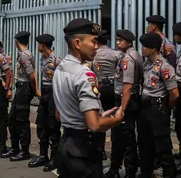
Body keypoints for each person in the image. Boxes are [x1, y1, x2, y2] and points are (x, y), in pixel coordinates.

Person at [53, 18, 124, 178]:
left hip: (66, 146)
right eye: (93, 41)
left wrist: (99, 116)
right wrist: (116, 119)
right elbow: (94, 125)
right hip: (84, 151)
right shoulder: (84, 74)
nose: (97, 47)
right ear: (77, 43)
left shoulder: (60, 68)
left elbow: (59, 115)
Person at [138, 32, 179, 178]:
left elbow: (174, 94)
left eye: (145, 46)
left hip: (158, 106)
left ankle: (169, 172)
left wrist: (166, 109)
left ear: (153, 48)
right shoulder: (146, 63)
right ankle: (145, 172)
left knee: (162, 143)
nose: (142, 49)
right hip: (145, 106)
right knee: (144, 142)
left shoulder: (165, 67)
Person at [105, 29, 143, 178]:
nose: (117, 42)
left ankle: (127, 171)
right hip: (129, 99)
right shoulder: (136, 55)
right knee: (124, 136)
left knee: (124, 137)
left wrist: (122, 107)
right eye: (117, 39)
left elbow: (127, 86)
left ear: (128, 42)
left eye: (120, 40)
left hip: (125, 99)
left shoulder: (128, 58)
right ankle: (121, 169)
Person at [2, 31, 38, 161]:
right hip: (20, 87)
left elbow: (32, 76)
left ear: (17, 41)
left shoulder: (24, 55)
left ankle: (24, 150)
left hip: (24, 88)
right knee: (12, 119)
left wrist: (35, 91)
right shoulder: (22, 54)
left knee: (21, 120)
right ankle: (14, 147)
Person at [28, 34, 61, 172]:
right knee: (41, 125)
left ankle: (55, 158)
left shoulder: (57, 60)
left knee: (53, 126)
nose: (38, 46)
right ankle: (43, 155)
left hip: (54, 95)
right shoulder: (43, 59)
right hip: (45, 94)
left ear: (43, 45)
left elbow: (61, 81)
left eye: (39, 44)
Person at [94, 29, 121, 161]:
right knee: (114, 117)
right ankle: (116, 149)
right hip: (113, 87)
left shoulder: (94, 54)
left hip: (99, 87)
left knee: (99, 117)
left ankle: (100, 150)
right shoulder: (116, 54)